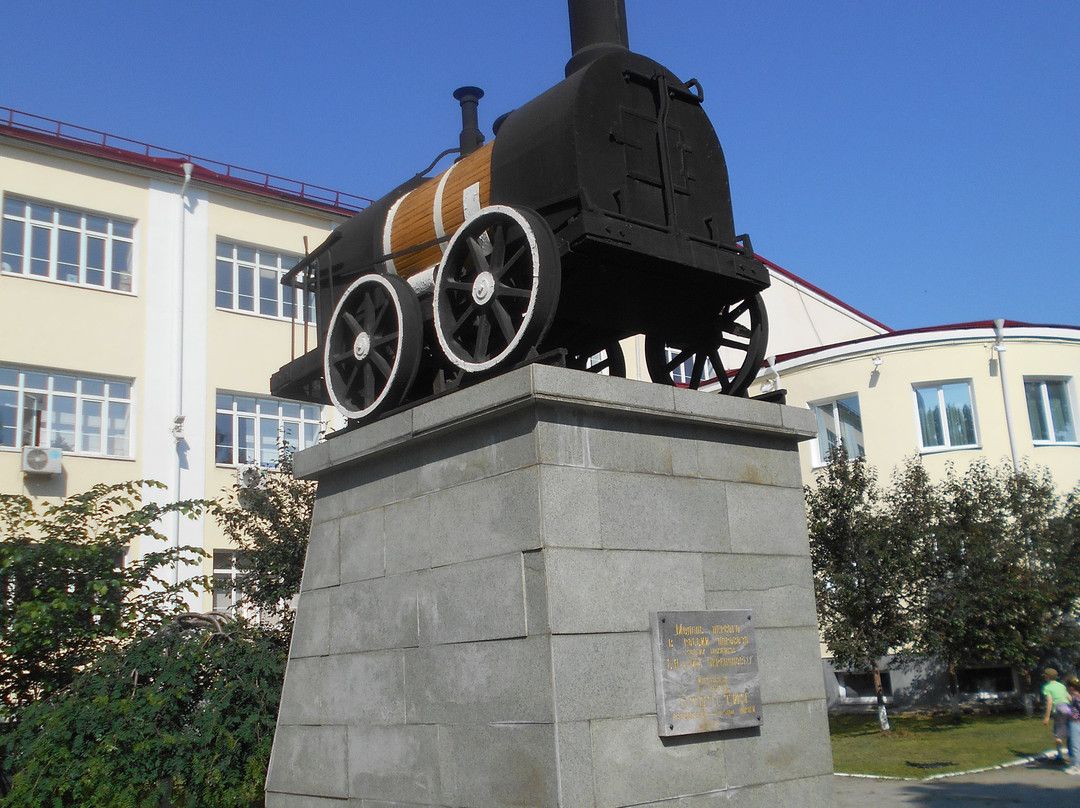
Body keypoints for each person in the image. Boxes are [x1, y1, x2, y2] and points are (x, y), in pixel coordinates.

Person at [1041, 668, 1072, 764]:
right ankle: (1073, 753)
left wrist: (1046, 717)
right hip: (1068, 709)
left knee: (1058, 734)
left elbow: (1050, 702)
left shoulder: (1047, 687)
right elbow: (1070, 698)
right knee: (1070, 732)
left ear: (1047, 677)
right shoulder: (1061, 686)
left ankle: (1060, 756)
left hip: (1058, 710)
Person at [1065, 676, 1080, 775]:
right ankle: (1076, 764)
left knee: (1075, 745)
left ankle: (1077, 767)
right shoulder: (1076, 696)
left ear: (1071, 688)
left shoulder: (1076, 698)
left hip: (1075, 722)